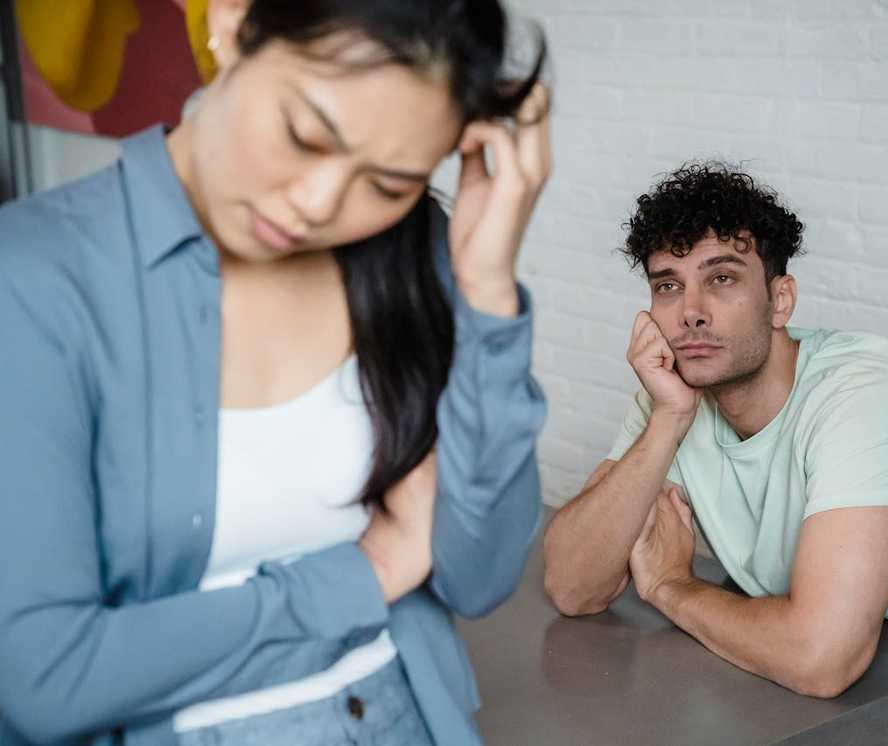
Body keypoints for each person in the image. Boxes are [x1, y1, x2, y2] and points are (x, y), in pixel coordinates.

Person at [0, 0, 550, 743]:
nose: (319, 205)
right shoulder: (34, 275)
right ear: (231, 22)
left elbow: (478, 579)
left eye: (388, 185)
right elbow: (48, 679)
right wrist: (367, 573)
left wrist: (488, 294)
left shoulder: (421, 254)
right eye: (304, 135)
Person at [542, 162, 888, 746]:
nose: (691, 312)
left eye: (723, 278)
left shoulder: (864, 394)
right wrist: (667, 422)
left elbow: (819, 657)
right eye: (668, 285)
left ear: (780, 300)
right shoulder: (672, 398)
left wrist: (668, 587)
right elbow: (572, 586)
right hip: (841, 717)